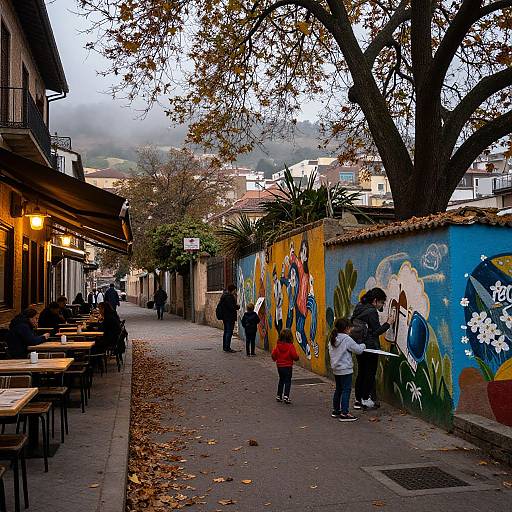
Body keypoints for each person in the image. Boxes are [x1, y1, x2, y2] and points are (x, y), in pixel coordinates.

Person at [351, 288, 394, 410]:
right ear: (375, 301)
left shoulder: (359, 306)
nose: (381, 305)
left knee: (361, 372)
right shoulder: (371, 312)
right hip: (370, 347)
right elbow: (376, 331)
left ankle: (358, 400)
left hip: (359, 345)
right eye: (381, 302)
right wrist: (388, 323)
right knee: (370, 373)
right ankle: (366, 399)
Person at [328, 318, 366, 421]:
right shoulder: (346, 339)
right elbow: (358, 350)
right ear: (346, 328)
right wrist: (363, 345)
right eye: (350, 328)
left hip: (336, 368)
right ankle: (345, 413)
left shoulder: (333, 338)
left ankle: (336, 410)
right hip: (345, 369)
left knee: (339, 389)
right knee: (346, 390)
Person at [271, 328, 299, 404]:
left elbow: (273, 354)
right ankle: (286, 396)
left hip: (279, 366)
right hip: (288, 366)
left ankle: (279, 395)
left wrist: (275, 359)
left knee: (281, 380)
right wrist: (297, 358)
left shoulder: (278, 345)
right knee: (288, 381)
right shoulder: (290, 346)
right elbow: (294, 356)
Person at [218, 284, 239, 353]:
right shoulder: (229, 296)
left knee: (226, 331)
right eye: (235, 290)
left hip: (225, 316)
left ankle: (225, 347)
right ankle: (227, 347)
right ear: (232, 290)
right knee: (229, 332)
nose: (235, 291)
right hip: (229, 317)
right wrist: (237, 307)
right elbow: (231, 307)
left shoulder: (224, 295)